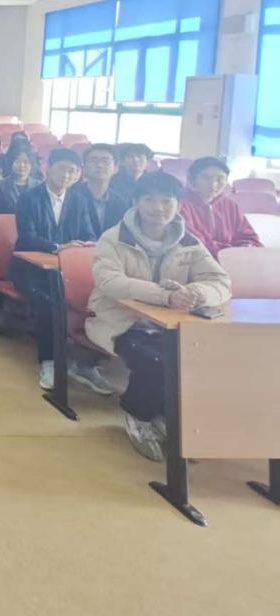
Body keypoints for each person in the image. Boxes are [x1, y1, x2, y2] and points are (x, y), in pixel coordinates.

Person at [85, 172, 231, 461]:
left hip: (171, 324)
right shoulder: (114, 238)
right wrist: (164, 296)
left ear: (178, 204)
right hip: (118, 320)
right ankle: (137, 414)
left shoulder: (188, 241)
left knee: (194, 359)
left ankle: (164, 413)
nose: (159, 208)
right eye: (149, 200)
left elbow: (220, 281)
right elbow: (110, 282)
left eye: (167, 200)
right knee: (155, 360)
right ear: (136, 202)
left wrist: (195, 293)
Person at [11, 148, 104, 392]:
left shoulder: (79, 200)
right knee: (49, 302)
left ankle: (85, 363)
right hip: (30, 269)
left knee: (95, 301)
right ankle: (49, 360)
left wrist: (84, 245)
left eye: (73, 171)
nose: (67, 175)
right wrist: (58, 247)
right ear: (47, 168)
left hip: (66, 271)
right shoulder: (29, 198)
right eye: (62, 168)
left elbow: (89, 234)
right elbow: (27, 237)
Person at [179, 156, 261, 256]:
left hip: (233, 258)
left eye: (220, 178)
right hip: (198, 260)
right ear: (193, 179)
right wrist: (229, 253)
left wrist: (247, 247)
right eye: (206, 178)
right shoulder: (181, 204)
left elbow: (249, 236)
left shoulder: (230, 205)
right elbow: (195, 242)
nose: (213, 184)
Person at [69, 142, 130, 232]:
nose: (100, 165)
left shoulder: (121, 203)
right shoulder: (70, 198)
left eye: (106, 161)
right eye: (94, 161)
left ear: (116, 168)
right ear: (84, 168)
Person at [0, 146, 38, 214]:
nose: (21, 165)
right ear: (11, 163)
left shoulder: (39, 186)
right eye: (17, 161)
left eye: (25, 162)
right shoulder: (0, 186)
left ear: (31, 165)